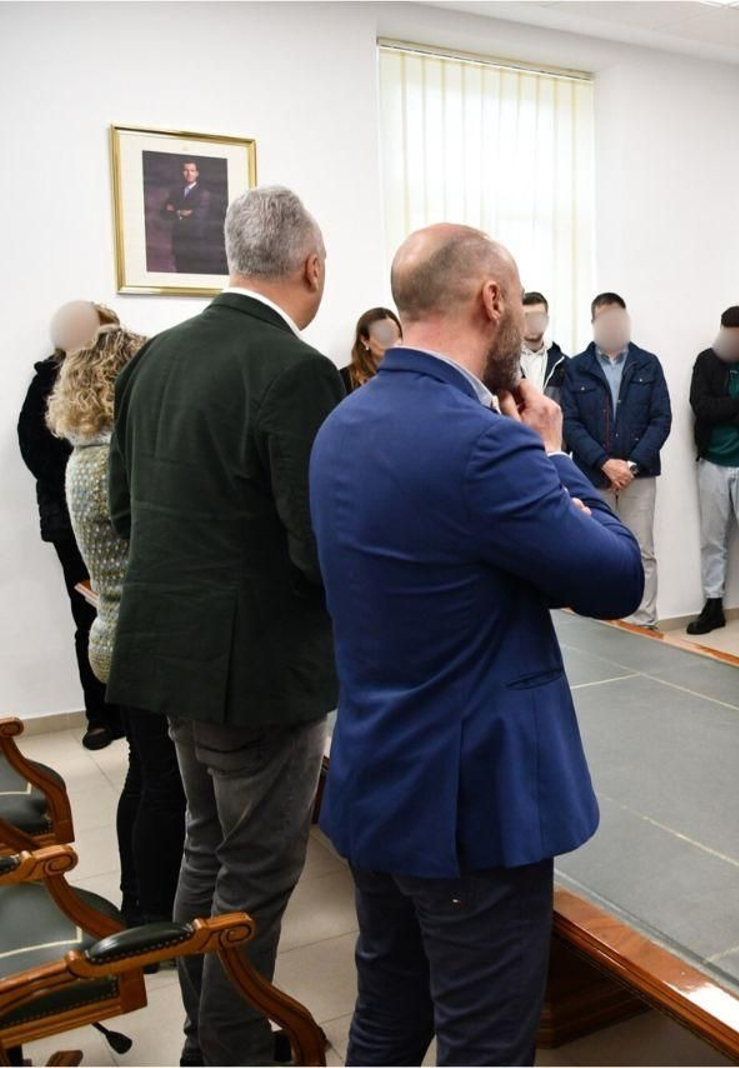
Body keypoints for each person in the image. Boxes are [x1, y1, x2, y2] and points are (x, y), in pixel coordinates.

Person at [311, 222, 644, 1065]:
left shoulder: (343, 426)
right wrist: (556, 456)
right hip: (469, 811)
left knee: (387, 1016)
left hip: (375, 779)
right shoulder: (484, 445)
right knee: (485, 1045)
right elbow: (613, 579)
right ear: (493, 300)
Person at [108, 185, 345, 1065]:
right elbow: (318, 542)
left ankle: (204, 1036)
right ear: (311, 266)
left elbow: (130, 512)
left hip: (171, 658)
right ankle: (236, 1050)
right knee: (257, 874)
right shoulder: (295, 372)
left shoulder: (152, 359)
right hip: (259, 674)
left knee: (205, 848)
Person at [46, 323, 187, 930]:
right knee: (165, 786)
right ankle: (152, 914)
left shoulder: (86, 453)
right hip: (141, 641)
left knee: (146, 773)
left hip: (115, 635)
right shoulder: (113, 461)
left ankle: (138, 900)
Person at [17, 300, 125, 750]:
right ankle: (100, 715)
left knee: (128, 614)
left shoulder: (124, 374)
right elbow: (35, 449)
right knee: (90, 615)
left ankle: (137, 709)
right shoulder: (48, 379)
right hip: (71, 519)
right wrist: (85, 484)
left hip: (124, 511)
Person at [559, 293, 671, 629]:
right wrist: (605, 463)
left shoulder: (648, 363)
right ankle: (600, 622)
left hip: (639, 476)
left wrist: (631, 465)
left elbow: (661, 419)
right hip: (592, 477)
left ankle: (643, 622)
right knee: (593, 548)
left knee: (642, 551)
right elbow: (571, 423)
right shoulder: (576, 367)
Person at [687, 305, 739, 639]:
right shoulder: (707, 361)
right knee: (712, 539)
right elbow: (701, 406)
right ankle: (713, 604)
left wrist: (726, 408)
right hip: (713, 463)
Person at [162, 160, 214, 273]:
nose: (189, 173)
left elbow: (198, 216)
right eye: (186, 170)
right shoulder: (175, 192)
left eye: (192, 170)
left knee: (193, 274)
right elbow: (164, 213)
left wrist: (175, 210)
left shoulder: (204, 194)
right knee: (179, 272)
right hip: (178, 242)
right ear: (182, 172)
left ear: (197, 173)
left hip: (195, 243)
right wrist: (181, 212)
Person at [519, 290, 569, 404]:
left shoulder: (564, 365)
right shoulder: (504, 363)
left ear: (546, 321)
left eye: (538, 317)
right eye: (526, 317)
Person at [342, 306, 402, 393]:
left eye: (397, 334)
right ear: (364, 340)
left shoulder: (411, 374)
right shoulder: (344, 379)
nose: (394, 341)